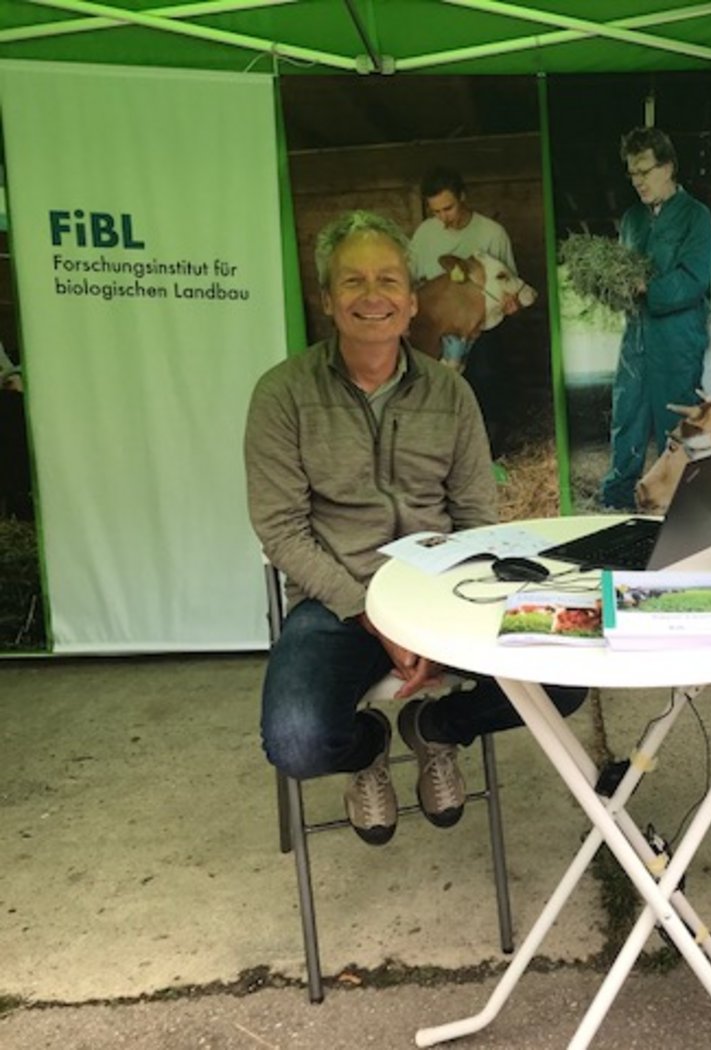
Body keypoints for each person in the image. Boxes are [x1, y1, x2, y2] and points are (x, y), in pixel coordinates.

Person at [245, 210, 585, 846]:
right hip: (336, 601)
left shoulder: (451, 394)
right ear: (327, 299)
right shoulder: (282, 395)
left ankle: (436, 731)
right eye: (352, 282)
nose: (372, 296)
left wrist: (441, 622)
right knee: (297, 742)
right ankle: (368, 746)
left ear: (410, 298)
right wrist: (374, 616)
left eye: (388, 281)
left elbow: (476, 518)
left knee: (567, 680)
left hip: (442, 589)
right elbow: (281, 528)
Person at [599, 127, 711, 510]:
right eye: (632, 174)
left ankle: (679, 505)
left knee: (675, 423)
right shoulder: (631, 220)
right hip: (636, 338)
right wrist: (611, 287)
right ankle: (617, 503)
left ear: (668, 167)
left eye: (645, 171)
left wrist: (649, 289)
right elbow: (622, 272)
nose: (638, 182)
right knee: (626, 415)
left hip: (676, 340)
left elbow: (694, 279)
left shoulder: (696, 217)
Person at [408, 167, 518, 449]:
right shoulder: (424, 234)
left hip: (479, 329)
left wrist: (509, 303)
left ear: (463, 197)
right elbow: (411, 278)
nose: (443, 218)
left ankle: (489, 441)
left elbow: (509, 286)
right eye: (436, 212)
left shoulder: (492, 234)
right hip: (435, 328)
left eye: (448, 208)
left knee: (485, 375)